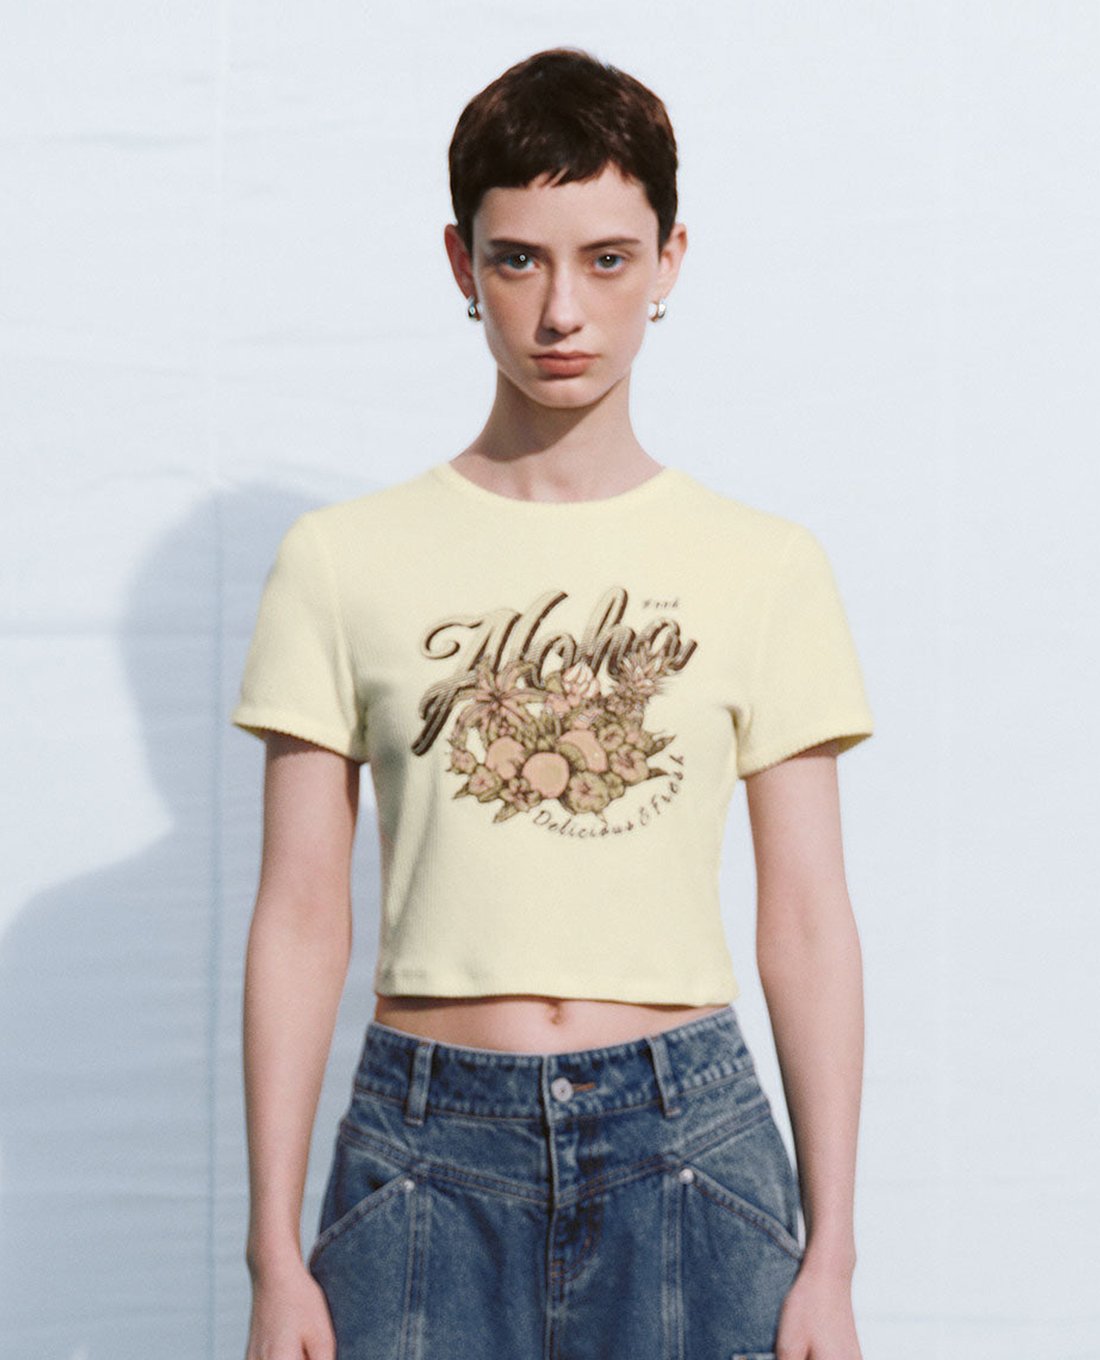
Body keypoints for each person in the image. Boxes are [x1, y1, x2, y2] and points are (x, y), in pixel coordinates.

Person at [232, 46, 875, 1360]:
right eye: (519, 259)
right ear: (462, 265)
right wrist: (271, 1254)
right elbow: (299, 913)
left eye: (608, 259)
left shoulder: (766, 566)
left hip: (690, 1150)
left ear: (671, 259)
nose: (562, 310)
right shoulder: (341, 562)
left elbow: (808, 920)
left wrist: (835, 1256)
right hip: (422, 1150)